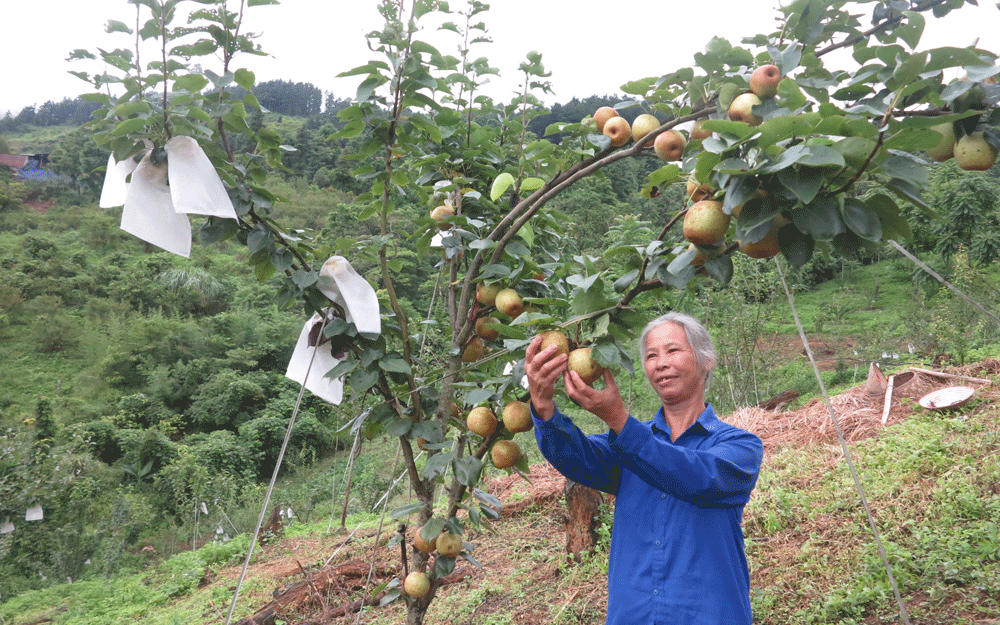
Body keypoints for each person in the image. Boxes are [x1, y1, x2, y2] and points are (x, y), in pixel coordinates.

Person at [525, 312, 764, 625]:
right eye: (651, 355)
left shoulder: (740, 446)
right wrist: (542, 404)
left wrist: (619, 421)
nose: (660, 363)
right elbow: (575, 457)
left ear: (707, 361)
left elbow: (698, 476)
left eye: (673, 351)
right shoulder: (627, 445)